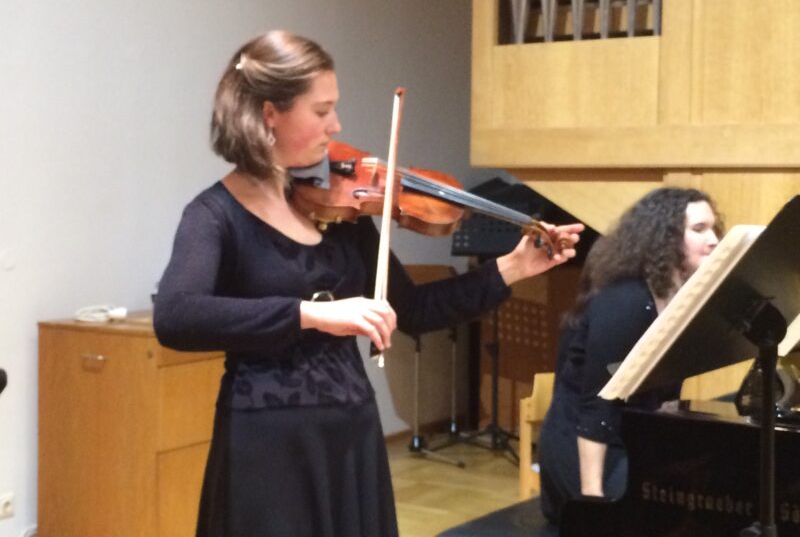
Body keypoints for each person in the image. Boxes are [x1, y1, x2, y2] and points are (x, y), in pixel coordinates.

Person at [153, 30, 583, 537]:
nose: (335, 126)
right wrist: (309, 314)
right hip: (267, 445)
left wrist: (511, 267)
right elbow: (177, 316)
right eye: (321, 111)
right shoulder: (214, 216)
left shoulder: (344, 214)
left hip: (352, 436)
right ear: (270, 114)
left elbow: (416, 310)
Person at [537, 187, 721, 526]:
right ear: (664, 238)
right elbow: (597, 404)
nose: (713, 240)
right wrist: (592, 504)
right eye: (699, 229)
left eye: (714, 229)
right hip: (584, 445)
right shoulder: (627, 300)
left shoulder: (683, 299)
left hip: (630, 439)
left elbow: (664, 392)